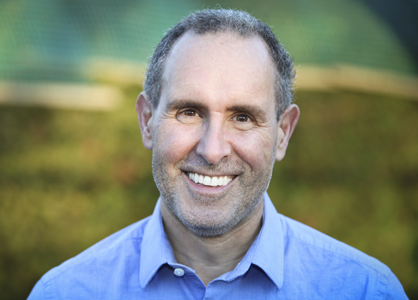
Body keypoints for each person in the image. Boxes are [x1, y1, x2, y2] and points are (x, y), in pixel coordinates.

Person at [28, 9, 408, 299]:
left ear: (282, 134)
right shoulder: (67, 292)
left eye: (243, 117)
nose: (212, 150)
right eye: (189, 112)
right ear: (147, 120)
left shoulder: (364, 291)